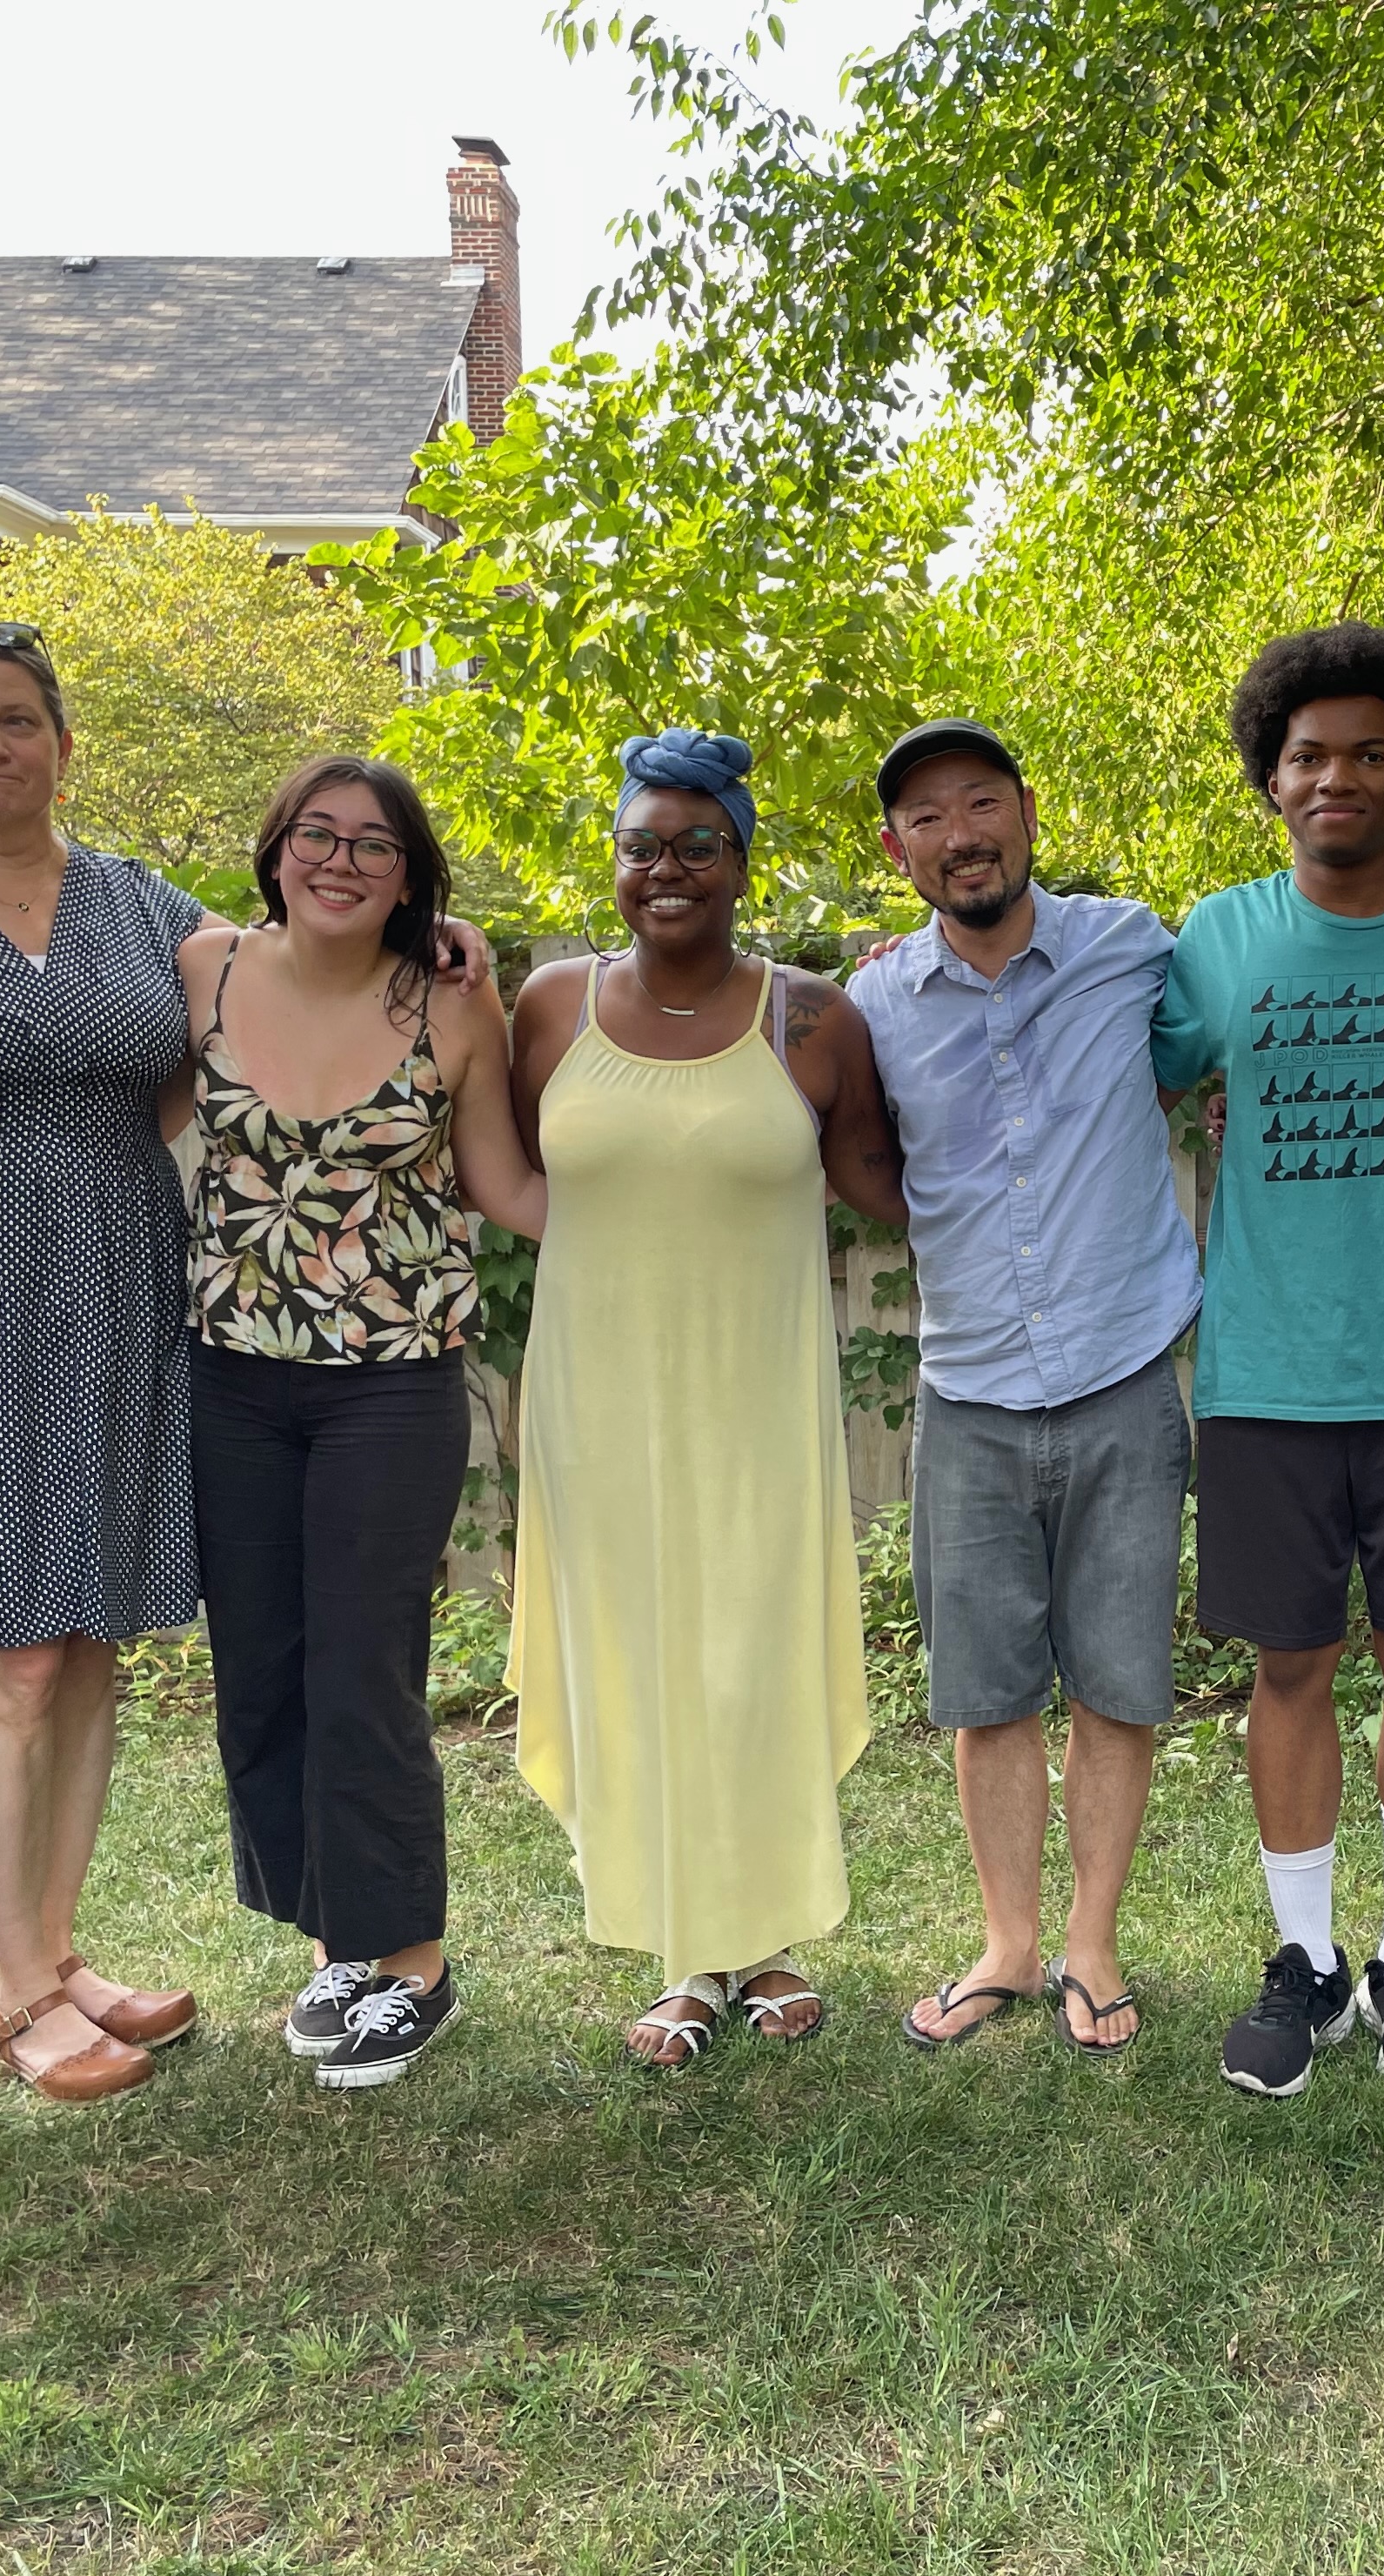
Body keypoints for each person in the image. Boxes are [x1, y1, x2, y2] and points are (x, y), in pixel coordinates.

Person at [0, 625, 486, 2103]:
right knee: (11, 1659)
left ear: (62, 741)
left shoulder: (139, 909)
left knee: (94, 1641)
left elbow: (298, 953)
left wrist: (438, 941)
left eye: (19, 722)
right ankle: (13, 1993)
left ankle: (61, 1954)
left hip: (128, 1294)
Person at [1150, 623, 1384, 2097]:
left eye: (1370, 752)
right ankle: (1301, 1958)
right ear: (1270, 779)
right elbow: (1131, 1065)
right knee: (1287, 1662)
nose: (1338, 776)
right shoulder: (1215, 937)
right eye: (1308, 755)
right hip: (1263, 1372)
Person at [507, 729, 907, 2066]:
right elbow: (508, 1175)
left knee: (749, 1654)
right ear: (612, 861)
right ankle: (686, 1955)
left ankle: (767, 1937)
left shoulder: (812, 1016)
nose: (666, 868)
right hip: (599, 1396)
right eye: (641, 846)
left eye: (698, 844)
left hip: (755, 1397)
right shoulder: (551, 1006)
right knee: (637, 1659)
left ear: (742, 860)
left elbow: (882, 1186)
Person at [170, 758, 544, 2090]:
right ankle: (341, 1945)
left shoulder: (445, 1002)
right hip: (230, 1380)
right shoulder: (200, 970)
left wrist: (675, 1216)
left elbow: (502, 1181)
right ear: (273, 851)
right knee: (263, 1670)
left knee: (361, 1667)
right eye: (317, 835)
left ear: (410, 877)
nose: (340, 860)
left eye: (374, 845)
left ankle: (415, 1964)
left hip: (390, 1384)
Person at [848, 719, 1200, 2057]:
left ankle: (1093, 1944)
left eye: (982, 802)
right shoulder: (873, 1005)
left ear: (1028, 812)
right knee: (984, 1689)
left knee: (1119, 1679)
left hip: (1123, 1374)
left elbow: (1223, 1031)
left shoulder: (1132, 946)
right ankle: (1006, 1942)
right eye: (927, 818)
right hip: (971, 1392)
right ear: (897, 852)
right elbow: (855, 1156)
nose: (961, 834)